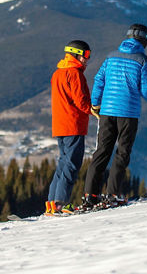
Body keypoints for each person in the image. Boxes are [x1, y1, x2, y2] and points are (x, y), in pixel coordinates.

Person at [79, 23, 147, 210]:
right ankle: (112, 195)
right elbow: (146, 90)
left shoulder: (111, 57)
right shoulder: (144, 61)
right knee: (122, 153)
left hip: (107, 111)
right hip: (128, 113)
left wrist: (96, 103)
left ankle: (90, 195)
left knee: (101, 151)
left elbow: (99, 79)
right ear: (145, 40)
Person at [46, 40, 96, 216]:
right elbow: (81, 101)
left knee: (63, 163)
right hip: (73, 124)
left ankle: (52, 203)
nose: (87, 60)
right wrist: (94, 110)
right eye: (86, 55)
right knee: (72, 165)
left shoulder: (57, 73)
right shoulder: (75, 74)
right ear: (76, 54)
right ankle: (61, 203)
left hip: (60, 125)